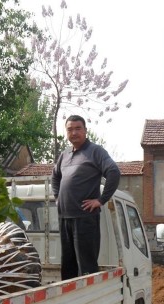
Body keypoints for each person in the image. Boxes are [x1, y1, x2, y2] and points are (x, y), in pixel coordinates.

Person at [51, 115, 121, 280]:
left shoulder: (95, 151)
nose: (74, 133)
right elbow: (55, 177)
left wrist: (101, 200)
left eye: (78, 128)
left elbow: (113, 172)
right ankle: (69, 302)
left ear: (85, 131)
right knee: (68, 266)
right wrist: (57, 197)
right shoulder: (64, 155)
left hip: (85, 218)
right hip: (65, 217)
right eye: (70, 129)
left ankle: (88, 302)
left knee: (86, 267)